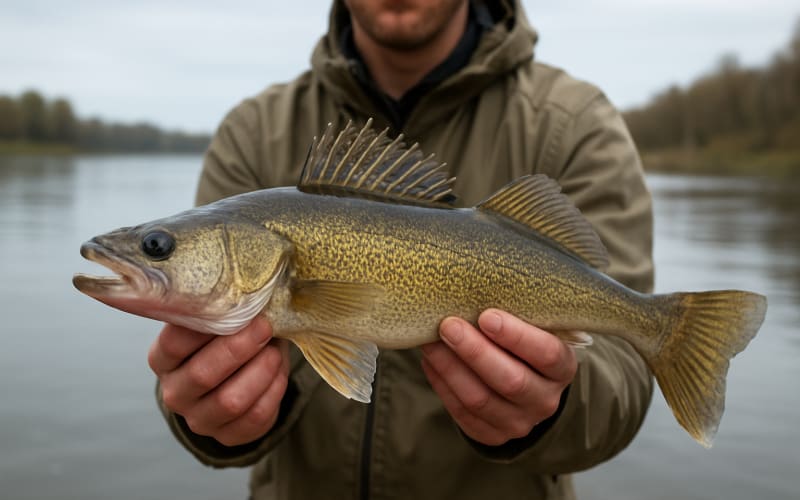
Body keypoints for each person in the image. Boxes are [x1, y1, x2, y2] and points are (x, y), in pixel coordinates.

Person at [147, 0, 655, 498]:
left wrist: (553, 408)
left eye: (157, 247)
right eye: (159, 247)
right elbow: (195, 360)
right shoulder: (253, 132)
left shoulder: (574, 125)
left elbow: (625, 372)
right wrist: (209, 411)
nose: (157, 254)